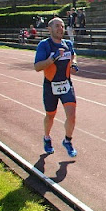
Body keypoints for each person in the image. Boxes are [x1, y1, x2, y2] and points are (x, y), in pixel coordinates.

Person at [34, 17, 79, 157]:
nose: (60, 29)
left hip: (66, 84)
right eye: (57, 26)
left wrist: (74, 64)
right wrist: (52, 58)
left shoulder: (68, 44)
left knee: (71, 116)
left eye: (62, 26)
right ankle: (47, 137)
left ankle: (68, 140)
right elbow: (37, 67)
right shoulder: (44, 45)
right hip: (50, 86)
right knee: (50, 116)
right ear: (50, 29)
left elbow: (73, 55)